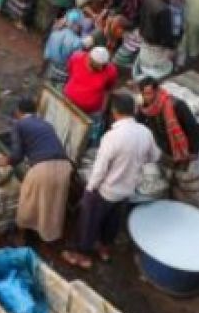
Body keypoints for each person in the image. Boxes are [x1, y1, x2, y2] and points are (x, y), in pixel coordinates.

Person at [63, 93, 157, 269]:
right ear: (134, 110)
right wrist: (134, 163)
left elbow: (100, 169)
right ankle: (104, 249)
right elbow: (154, 156)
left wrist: (90, 189)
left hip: (106, 190)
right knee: (112, 222)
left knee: (88, 222)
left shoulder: (112, 136)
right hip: (127, 190)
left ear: (115, 111)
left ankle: (81, 255)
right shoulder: (146, 133)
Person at [0, 98, 71, 245]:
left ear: (18, 112)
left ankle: (21, 236)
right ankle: (50, 236)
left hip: (43, 167)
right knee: (53, 202)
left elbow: (17, 155)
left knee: (28, 199)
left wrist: (6, 161)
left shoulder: (19, 124)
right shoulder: (46, 124)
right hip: (65, 167)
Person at [137, 77, 199, 204]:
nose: (146, 97)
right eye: (143, 94)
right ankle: (168, 197)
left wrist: (194, 150)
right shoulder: (145, 107)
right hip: (162, 147)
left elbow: (192, 128)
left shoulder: (176, 105)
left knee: (183, 179)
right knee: (165, 175)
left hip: (180, 149)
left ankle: (184, 202)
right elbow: (138, 122)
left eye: (148, 93)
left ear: (157, 91)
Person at [137, 0, 178, 79]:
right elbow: (166, 33)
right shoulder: (164, 9)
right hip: (156, 44)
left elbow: (142, 15)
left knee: (145, 63)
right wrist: (172, 46)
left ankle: (142, 77)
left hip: (144, 37)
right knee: (155, 68)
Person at [64, 46, 118, 117]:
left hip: (92, 111)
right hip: (69, 103)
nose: (101, 68)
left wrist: (104, 107)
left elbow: (108, 89)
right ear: (89, 59)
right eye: (97, 66)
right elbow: (69, 72)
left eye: (103, 66)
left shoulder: (111, 71)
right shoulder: (76, 58)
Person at [43, 10, 87, 83]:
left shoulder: (55, 33)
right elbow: (75, 64)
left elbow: (47, 55)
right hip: (64, 76)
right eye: (80, 25)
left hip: (51, 70)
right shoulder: (77, 42)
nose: (81, 27)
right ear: (76, 24)